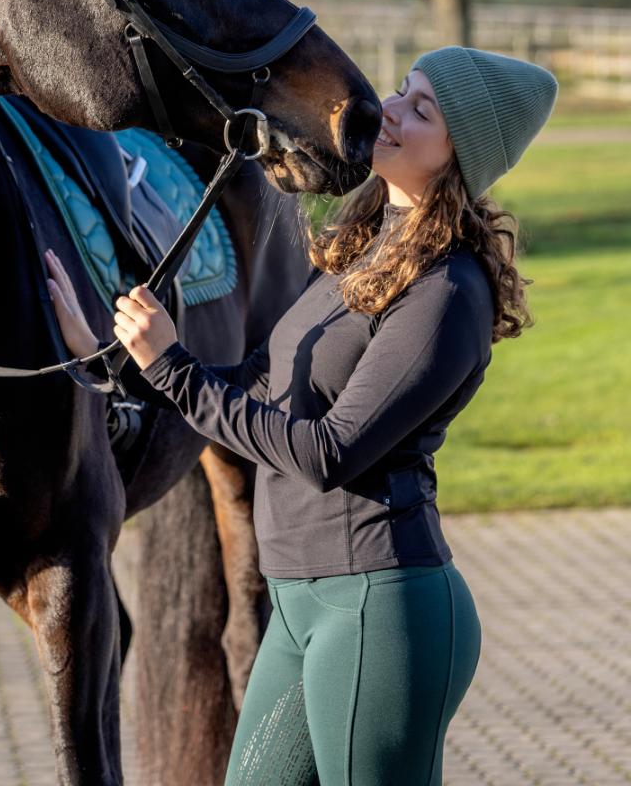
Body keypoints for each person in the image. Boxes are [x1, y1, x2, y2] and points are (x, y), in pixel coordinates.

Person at [46, 46, 558, 786]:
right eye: (402, 91)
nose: (390, 109)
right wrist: (115, 352)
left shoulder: (447, 293)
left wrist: (171, 365)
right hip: (296, 600)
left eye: (423, 111)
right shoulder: (365, 250)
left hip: (376, 610)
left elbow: (328, 452)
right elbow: (257, 389)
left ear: (460, 155)